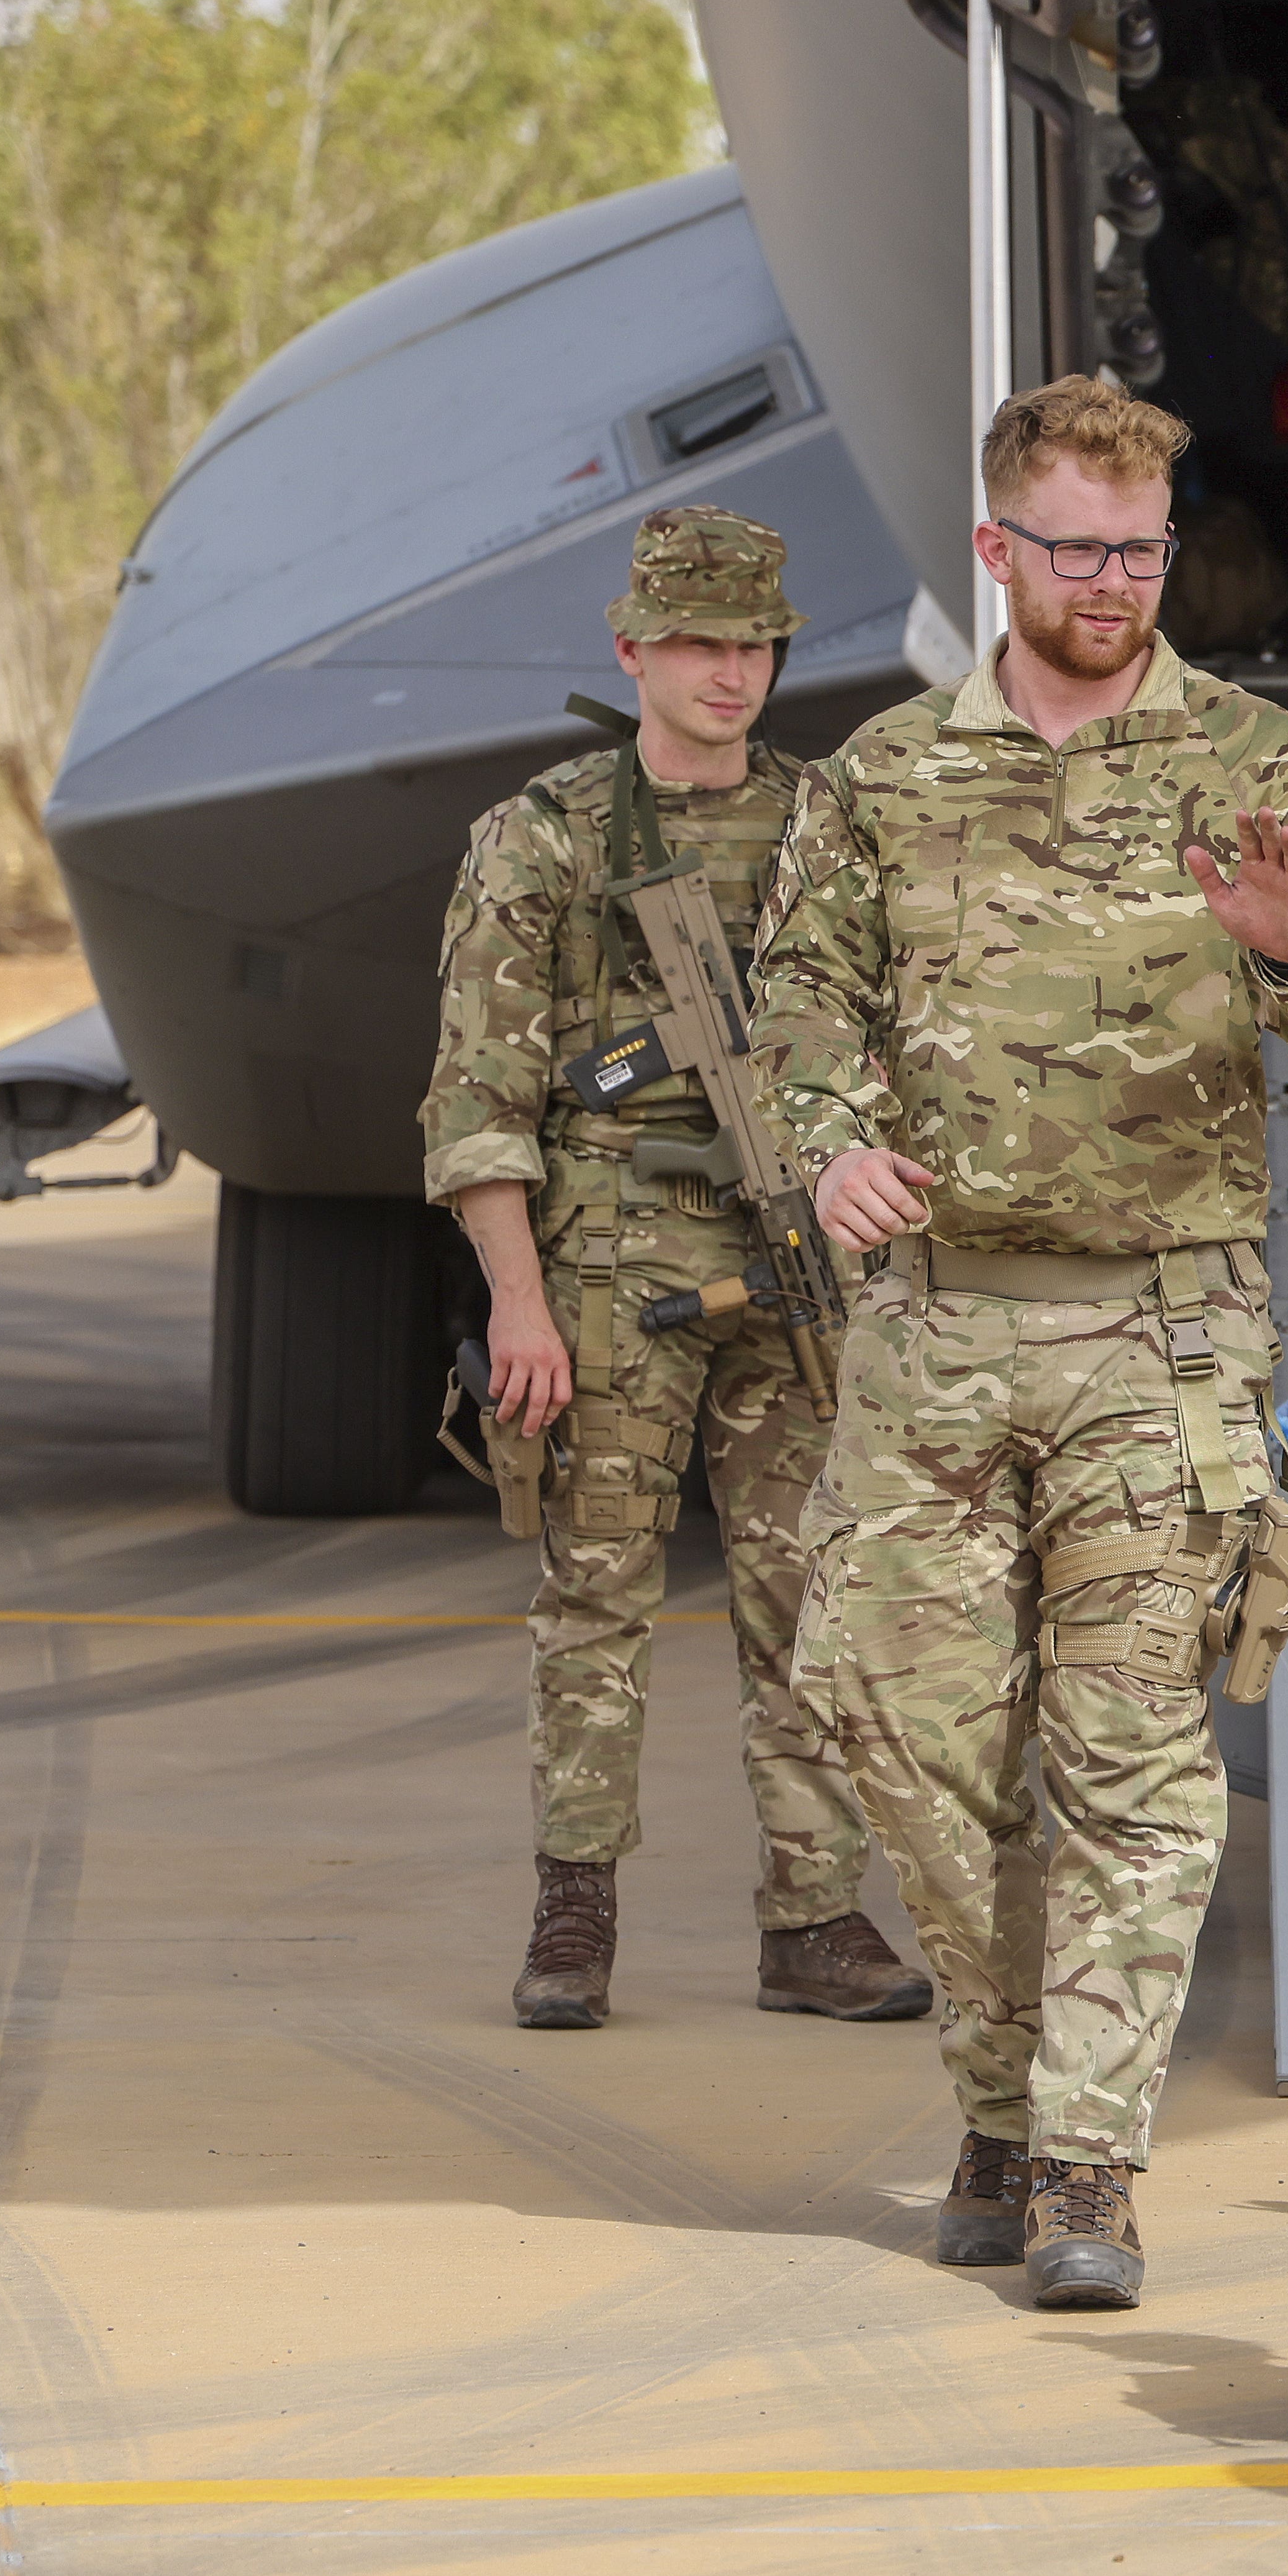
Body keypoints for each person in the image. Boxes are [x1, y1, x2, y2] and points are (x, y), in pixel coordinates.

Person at [751, 374, 1288, 2314]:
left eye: (1141, 548)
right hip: (936, 1324)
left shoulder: (1257, 760)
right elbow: (792, 1004)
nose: (1117, 583)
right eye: (1077, 550)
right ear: (995, 551)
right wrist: (824, 1147)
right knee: (903, 1728)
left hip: (1164, 1329)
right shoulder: (879, 779)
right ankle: (1002, 2080)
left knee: (1133, 1752)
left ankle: (1084, 2162)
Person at [420, 506, 925, 2036]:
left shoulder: (832, 822)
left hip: (805, 1258)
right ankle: (575, 1910)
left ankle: (816, 1915)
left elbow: (897, 1035)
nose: (728, 671)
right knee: (596, 1591)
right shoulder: (549, 836)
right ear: (631, 648)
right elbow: (476, 1094)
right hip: (613, 1257)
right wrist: (516, 1295)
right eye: (696, 643)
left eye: (753, 642)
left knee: (807, 1596)